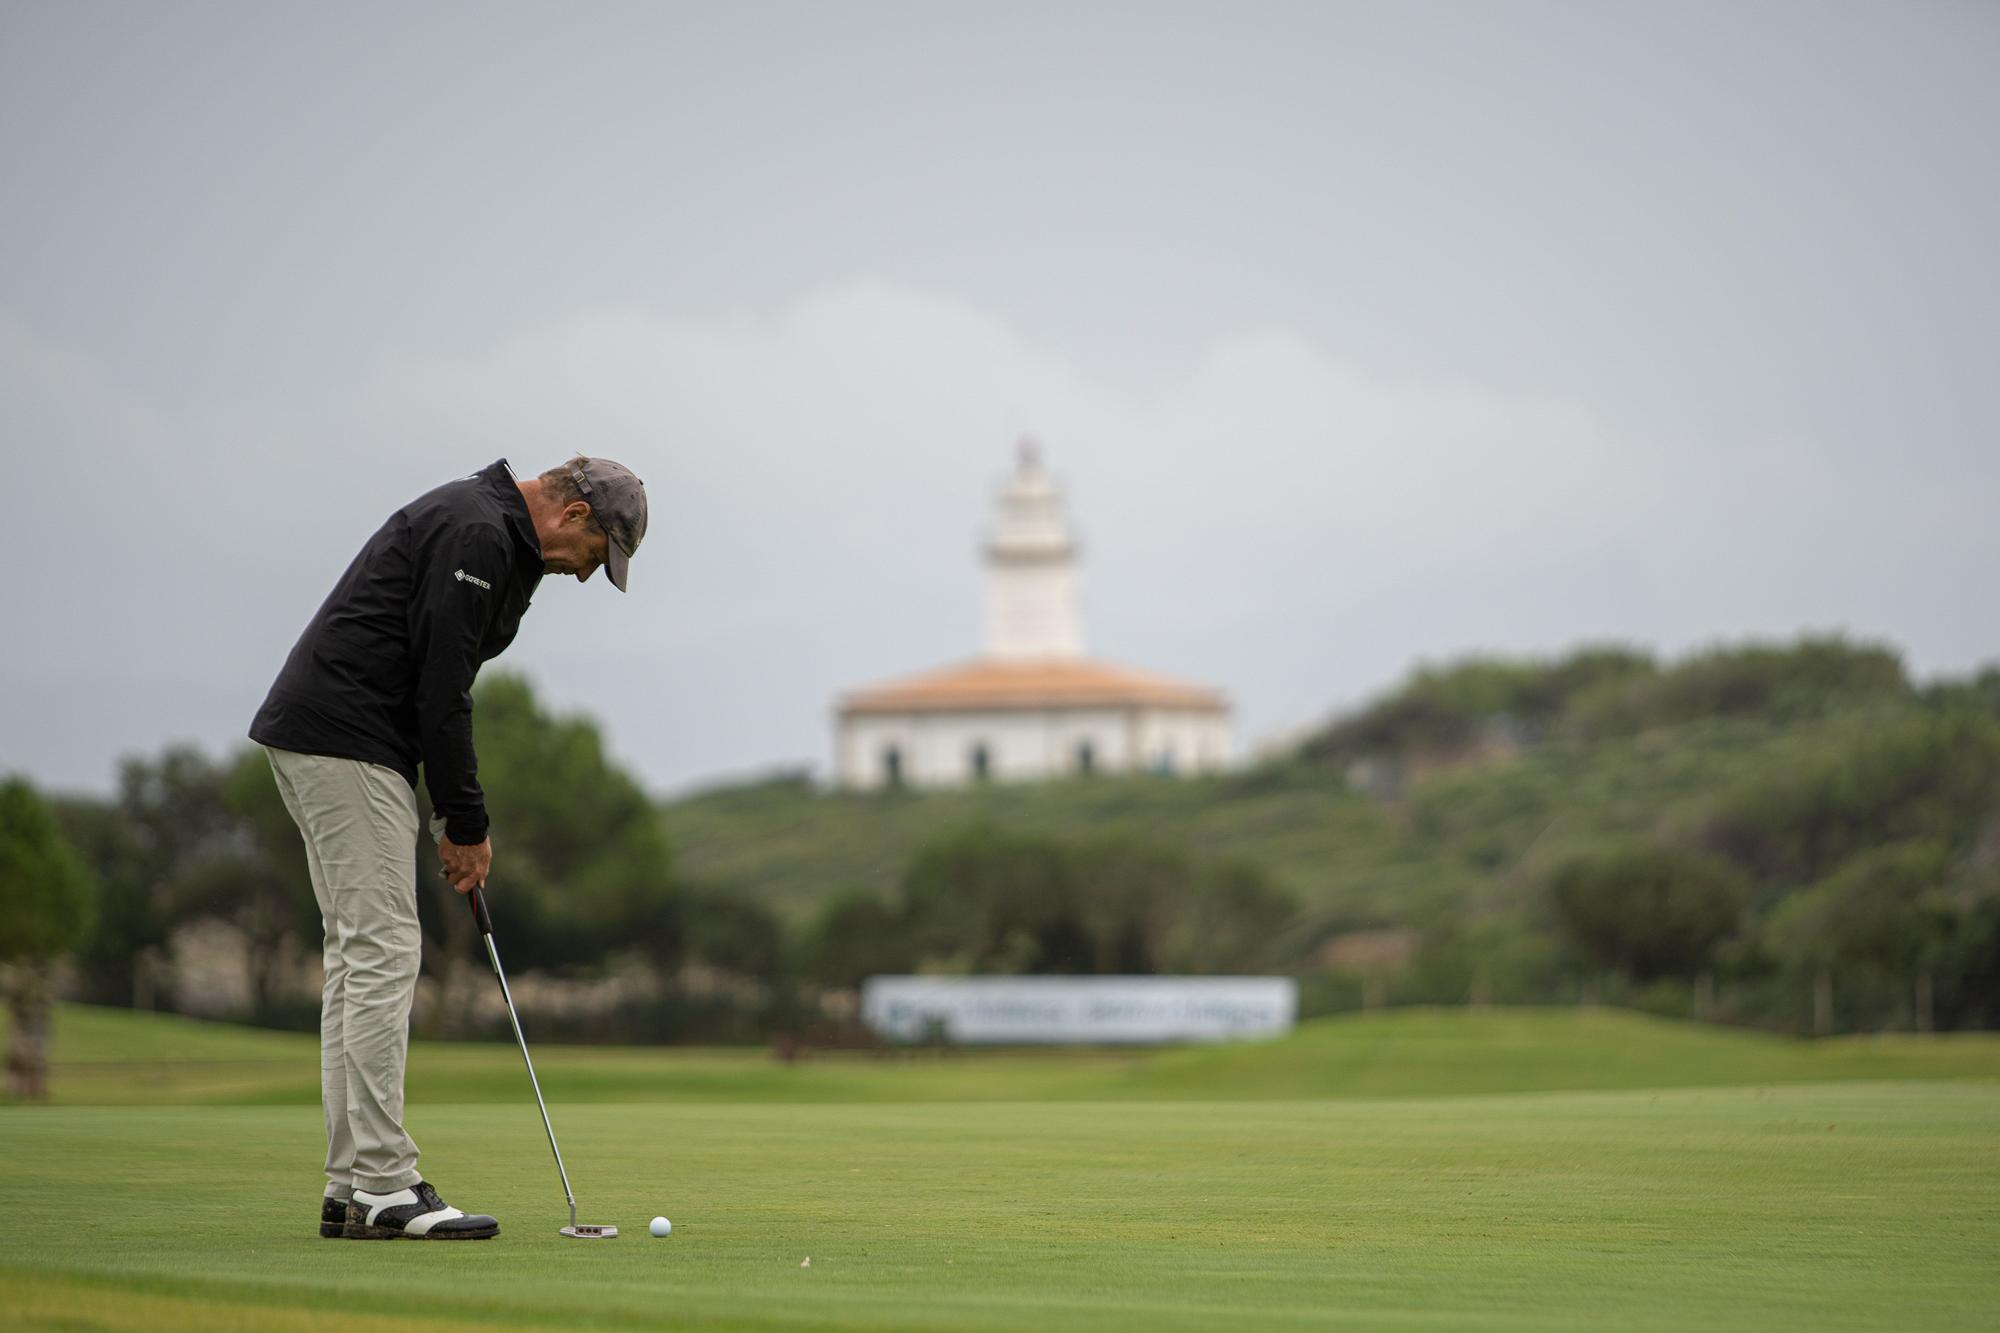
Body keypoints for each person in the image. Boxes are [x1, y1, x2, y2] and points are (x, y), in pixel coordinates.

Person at [249, 457, 647, 1241]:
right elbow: (443, 689)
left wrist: (447, 817)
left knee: (361, 952)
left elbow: (437, 682)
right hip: (346, 738)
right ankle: (386, 1185)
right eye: (596, 556)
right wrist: (465, 823)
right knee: (385, 948)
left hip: (338, 739)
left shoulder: (497, 538)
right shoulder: (478, 531)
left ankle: (352, 1187)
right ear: (573, 514)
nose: (584, 574)